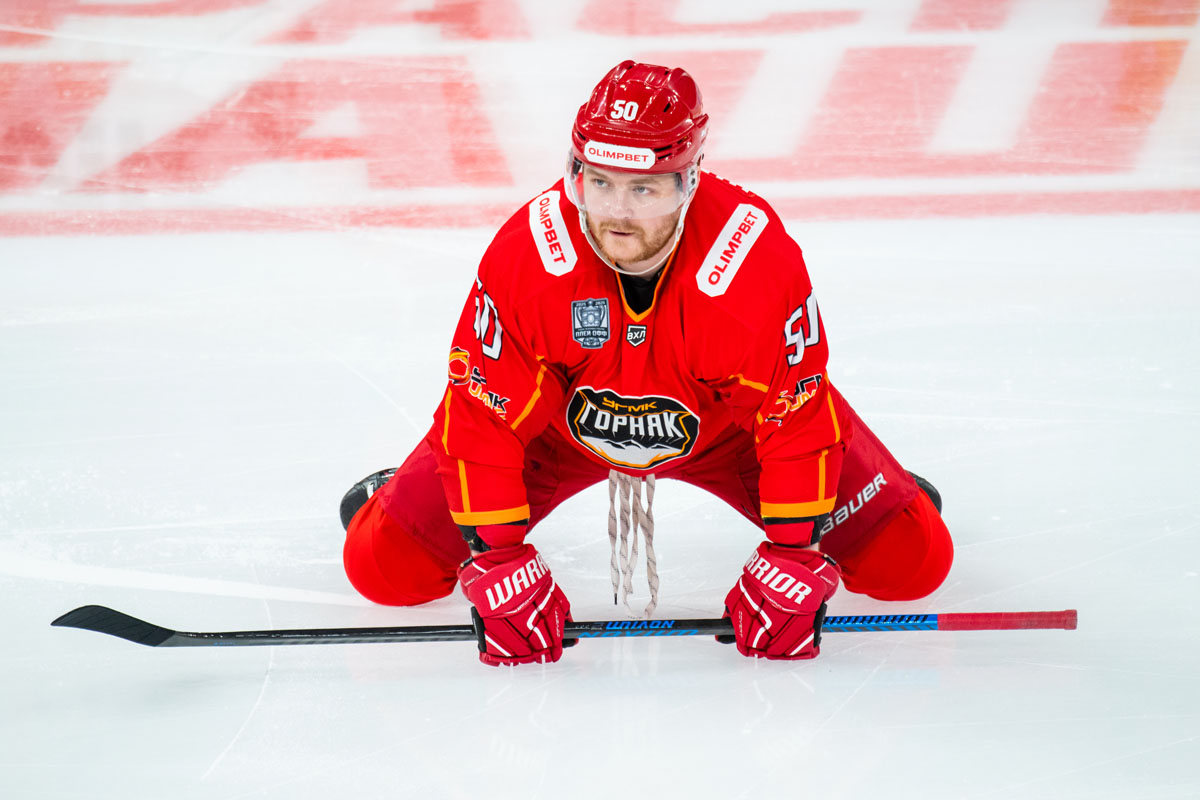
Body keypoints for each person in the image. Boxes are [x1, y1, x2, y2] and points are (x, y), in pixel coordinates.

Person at [339, 60, 953, 666]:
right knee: (386, 570)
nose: (616, 213)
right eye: (600, 182)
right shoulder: (528, 256)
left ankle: (894, 492)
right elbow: (483, 417)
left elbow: (793, 417)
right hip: (556, 437)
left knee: (910, 560)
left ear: (689, 181)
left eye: (643, 189)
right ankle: (391, 493)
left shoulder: (753, 260)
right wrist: (498, 559)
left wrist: (793, 556)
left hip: (727, 436)